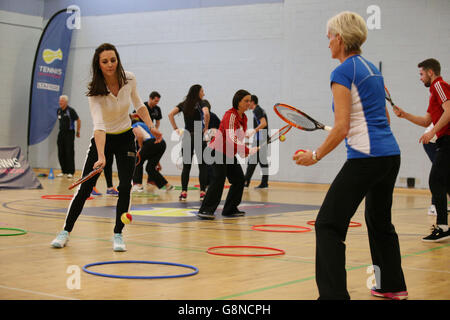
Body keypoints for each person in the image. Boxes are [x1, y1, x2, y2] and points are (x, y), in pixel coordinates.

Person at [294, 12, 407, 300]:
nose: (327, 42)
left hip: (366, 159)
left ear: (340, 39)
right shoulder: (372, 69)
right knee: (380, 222)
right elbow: (384, 120)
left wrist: (315, 155)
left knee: (328, 224)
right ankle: (392, 285)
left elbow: (342, 126)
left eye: (329, 37)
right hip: (390, 156)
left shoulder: (342, 72)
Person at [51, 43, 162, 252]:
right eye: (105, 61)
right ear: (98, 64)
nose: (110, 64)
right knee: (85, 189)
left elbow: (138, 105)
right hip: (103, 138)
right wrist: (101, 156)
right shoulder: (95, 91)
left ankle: (118, 234)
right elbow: (99, 126)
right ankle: (65, 230)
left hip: (125, 138)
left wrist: (151, 127)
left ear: (117, 59)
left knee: (126, 187)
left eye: (113, 60)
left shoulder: (129, 78)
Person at [393, 58, 450, 242]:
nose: (420, 78)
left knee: (436, 181)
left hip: (448, 140)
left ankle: (442, 227)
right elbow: (426, 121)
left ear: (430, 72)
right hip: (443, 141)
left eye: (421, 74)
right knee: (447, 183)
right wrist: (405, 115)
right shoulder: (433, 94)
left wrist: (432, 132)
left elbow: (449, 110)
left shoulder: (439, 86)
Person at [197, 89, 258, 220]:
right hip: (217, 151)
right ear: (238, 101)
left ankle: (230, 209)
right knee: (219, 178)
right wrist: (246, 150)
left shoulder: (244, 118)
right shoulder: (230, 115)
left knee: (239, 179)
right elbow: (231, 137)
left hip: (229, 153)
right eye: (246, 101)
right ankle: (205, 210)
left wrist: (242, 150)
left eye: (249, 101)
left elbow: (237, 138)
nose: (249, 103)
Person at [168, 84, 210, 201]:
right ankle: (202, 192)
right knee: (203, 166)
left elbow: (170, 114)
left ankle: (184, 192)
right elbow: (206, 113)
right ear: (197, 92)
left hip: (187, 135)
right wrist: (206, 128)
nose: (203, 93)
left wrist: (176, 129)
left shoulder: (184, 104)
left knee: (186, 166)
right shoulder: (203, 102)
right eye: (202, 91)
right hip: (198, 134)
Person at [131, 114, 173, 192]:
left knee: (138, 161)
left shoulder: (134, 125)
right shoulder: (145, 124)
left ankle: (138, 184)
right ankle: (167, 185)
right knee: (150, 168)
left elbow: (139, 136)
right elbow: (153, 152)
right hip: (161, 143)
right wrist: (157, 162)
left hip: (151, 142)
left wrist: (140, 148)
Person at [244, 94, 269, 188]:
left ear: (252, 102)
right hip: (261, 138)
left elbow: (263, 123)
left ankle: (246, 181)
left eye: (248, 101)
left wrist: (253, 132)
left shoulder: (257, 110)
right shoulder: (258, 110)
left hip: (260, 138)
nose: (247, 104)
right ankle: (263, 183)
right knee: (258, 161)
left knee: (254, 161)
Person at [56, 95, 80, 178]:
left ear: (66, 102)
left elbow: (78, 120)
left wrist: (78, 131)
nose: (60, 102)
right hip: (61, 133)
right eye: (59, 101)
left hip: (69, 133)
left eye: (62, 101)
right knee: (60, 152)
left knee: (69, 152)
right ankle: (64, 171)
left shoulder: (71, 111)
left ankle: (71, 172)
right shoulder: (58, 111)